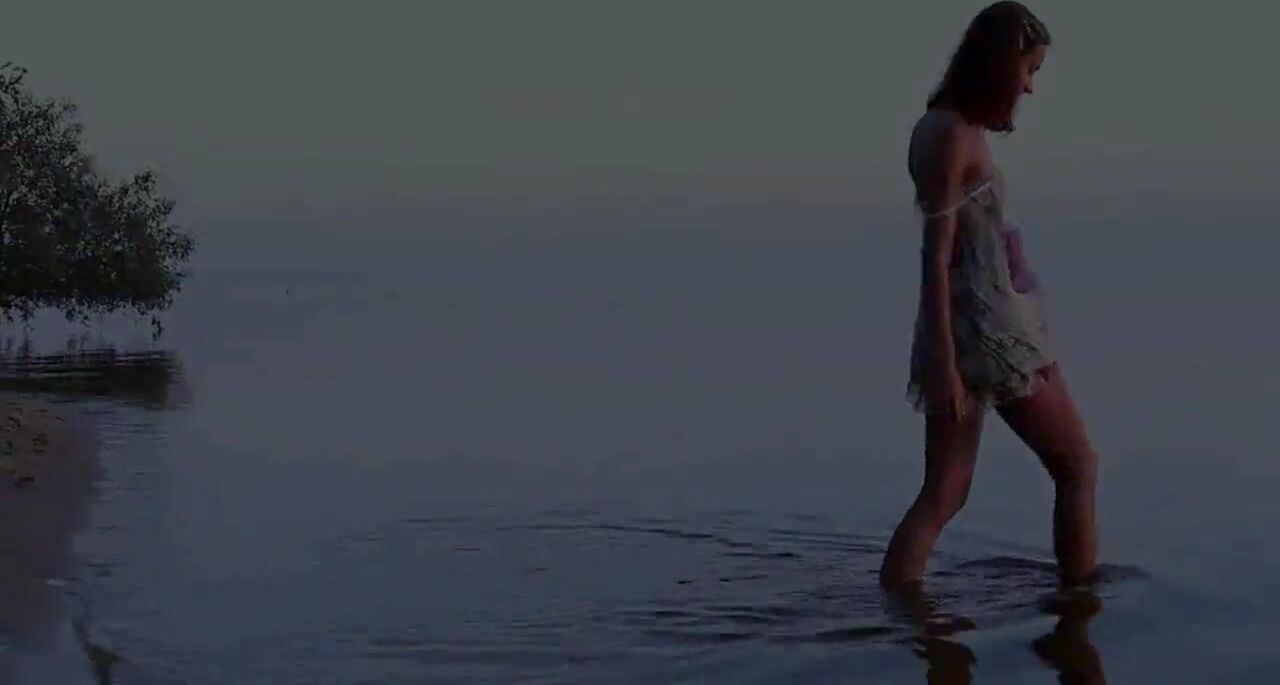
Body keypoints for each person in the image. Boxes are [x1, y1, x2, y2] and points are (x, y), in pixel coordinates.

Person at [879, 1, 1099, 588]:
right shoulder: (953, 135)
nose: (1029, 87)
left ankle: (900, 606)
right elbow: (936, 254)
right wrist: (942, 362)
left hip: (973, 324)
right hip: (987, 332)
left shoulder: (942, 126)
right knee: (1077, 465)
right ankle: (1081, 608)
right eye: (1028, 70)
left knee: (944, 491)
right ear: (999, 64)